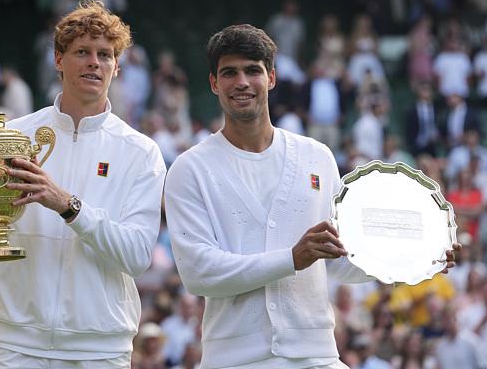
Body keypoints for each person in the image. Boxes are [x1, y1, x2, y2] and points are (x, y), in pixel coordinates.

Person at [164, 24, 459, 369]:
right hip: (233, 360)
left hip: (317, 354)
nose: (242, 82)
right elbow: (198, 273)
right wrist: (292, 258)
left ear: (271, 78)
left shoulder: (316, 156)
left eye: (252, 70)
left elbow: (340, 259)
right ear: (214, 83)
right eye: (230, 73)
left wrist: (412, 256)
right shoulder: (189, 169)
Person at [0, 0, 166, 368]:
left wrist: (67, 205)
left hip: (100, 351)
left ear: (117, 67)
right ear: (59, 59)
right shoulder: (12, 138)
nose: (94, 62)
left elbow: (138, 256)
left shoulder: (141, 152)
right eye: (82, 51)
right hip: (15, 348)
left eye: (105, 55)